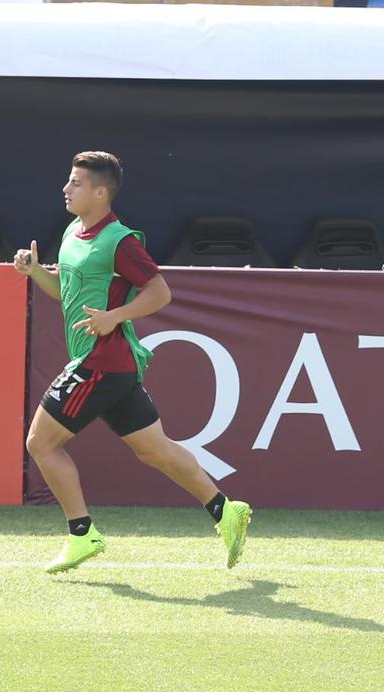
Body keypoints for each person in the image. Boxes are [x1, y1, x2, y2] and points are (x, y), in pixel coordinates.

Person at [14, 151, 251, 574]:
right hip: (113, 366)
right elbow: (63, 292)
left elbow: (160, 292)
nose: (65, 189)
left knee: (41, 443)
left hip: (99, 362)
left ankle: (82, 533)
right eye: (68, 181)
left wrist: (114, 317)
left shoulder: (121, 241)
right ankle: (225, 511)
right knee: (153, 450)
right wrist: (35, 272)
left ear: (101, 192)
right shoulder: (72, 231)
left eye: (76, 183)